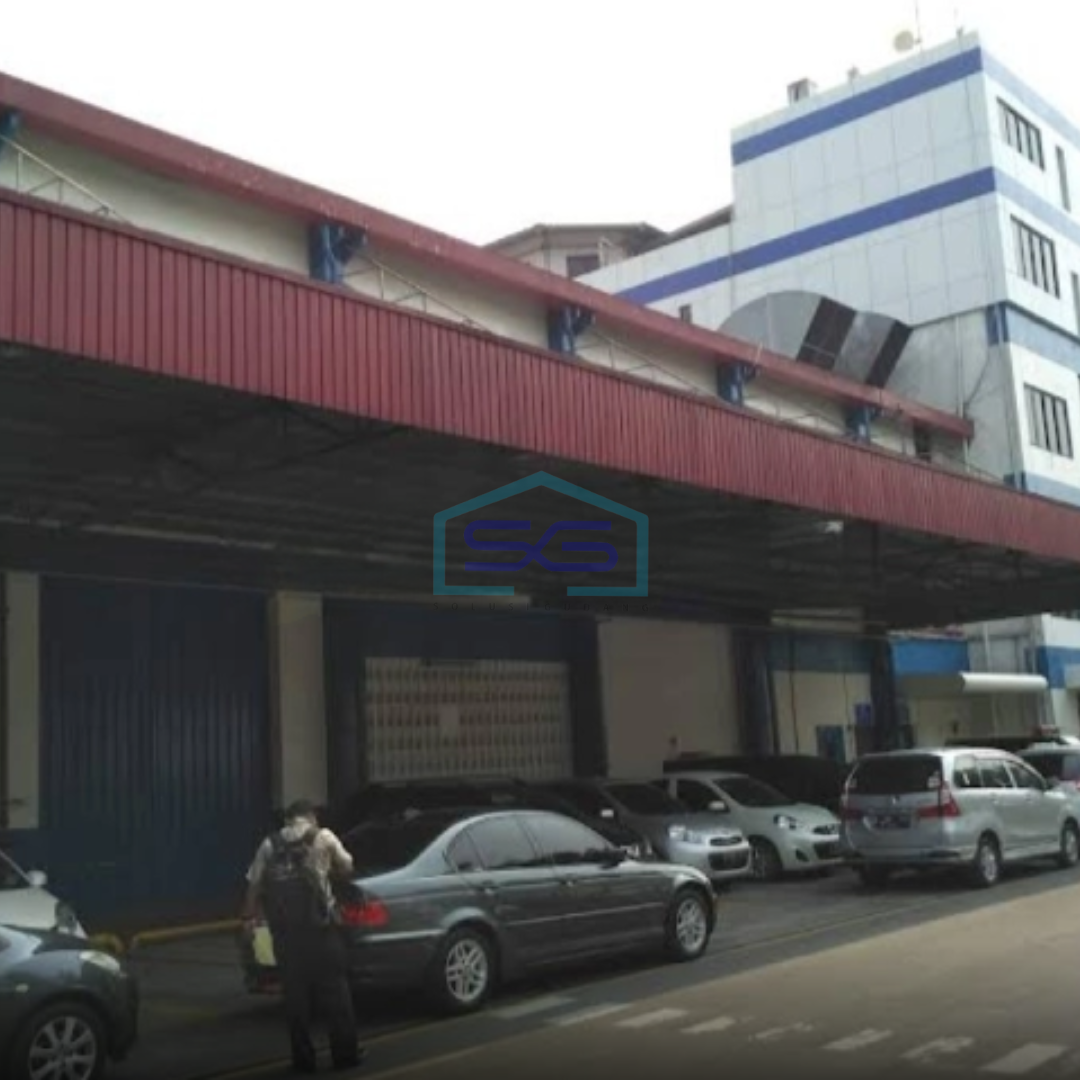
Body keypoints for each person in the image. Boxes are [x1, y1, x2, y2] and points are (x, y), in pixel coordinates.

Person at [242, 799, 366, 1073]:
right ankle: (345, 1056)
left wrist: (249, 919)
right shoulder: (323, 836)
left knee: (295, 1000)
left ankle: (303, 1060)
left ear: (287, 818)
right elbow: (347, 867)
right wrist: (327, 868)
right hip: (322, 931)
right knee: (336, 993)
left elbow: (254, 884)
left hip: (287, 936)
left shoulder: (269, 844)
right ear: (311, 816)